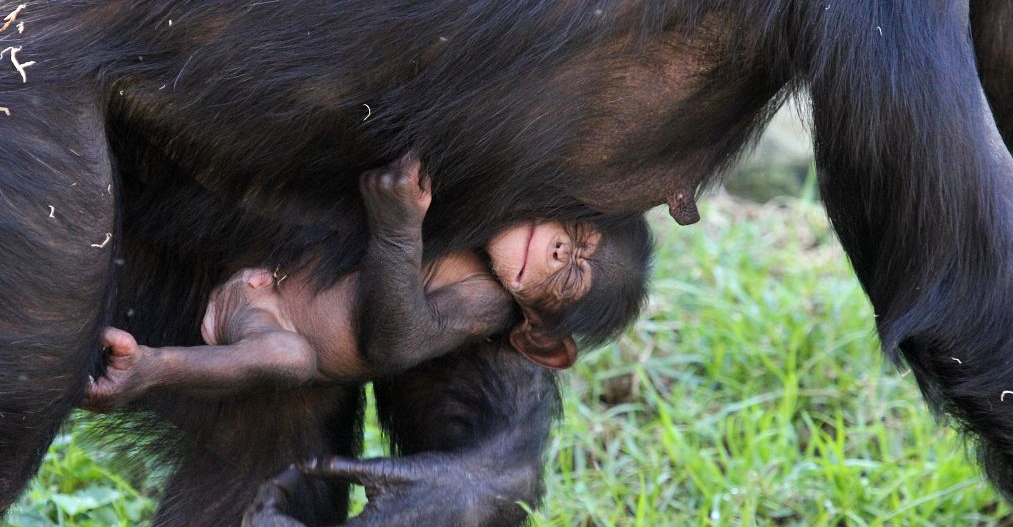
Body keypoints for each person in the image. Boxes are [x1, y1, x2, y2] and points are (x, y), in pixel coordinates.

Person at [84, 154, 653, 410]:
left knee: (286, 361)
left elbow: (395, 342)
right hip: (263, 267)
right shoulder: (487, 206)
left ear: (538, 339)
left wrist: (397, 232)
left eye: (571, 273)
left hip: (268, 319)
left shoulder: (487, 303)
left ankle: (150, 370)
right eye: (576, 233)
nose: (559, 250)